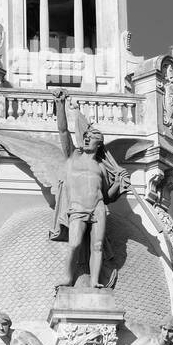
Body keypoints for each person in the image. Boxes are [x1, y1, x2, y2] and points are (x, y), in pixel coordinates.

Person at [50, 88, 129, 287]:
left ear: (99, 144)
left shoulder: (101, 167)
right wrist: (60, 105)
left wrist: (119, 183)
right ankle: (68, 278)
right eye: (85, 136)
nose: (86, 138)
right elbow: (62, 130)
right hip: (77, 208)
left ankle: (95, 282)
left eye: (91, 137)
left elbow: (107, 195)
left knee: (98, 245)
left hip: (98, 207)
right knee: (75, 243)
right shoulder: (71, 157)